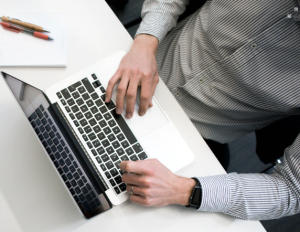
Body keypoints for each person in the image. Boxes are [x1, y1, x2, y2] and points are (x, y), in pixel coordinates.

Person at [104, 0, 300, 220]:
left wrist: (182, 190)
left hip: (192, 141)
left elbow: (292, 190)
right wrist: (145, 43)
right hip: (136, 63)